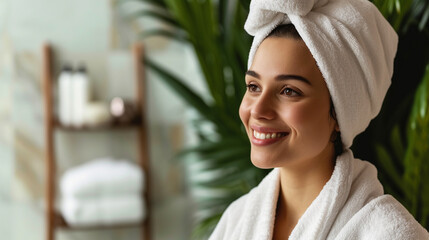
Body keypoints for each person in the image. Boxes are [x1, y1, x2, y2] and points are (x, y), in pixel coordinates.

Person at [209, 0, 429, 239]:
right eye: (253, 86)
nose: (258, 109)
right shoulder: (236, 220)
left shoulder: (389, 233)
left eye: (289, 91)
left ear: (340, 113)